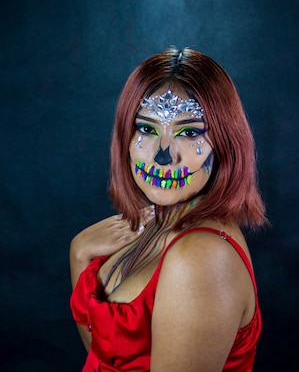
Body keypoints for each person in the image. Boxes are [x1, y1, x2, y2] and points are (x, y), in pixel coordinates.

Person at [69, 47, 268, 372]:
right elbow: (106, 358)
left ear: (226, 143)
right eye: (146, 129)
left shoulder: (201, 257)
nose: (162, 156)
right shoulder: (156, 225)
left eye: (188, 133)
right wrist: (79, 255)